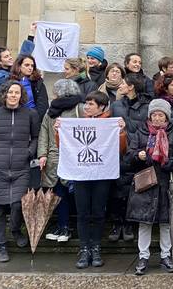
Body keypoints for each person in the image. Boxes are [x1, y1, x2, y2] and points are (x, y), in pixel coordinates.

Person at [0, 80, 40, 263]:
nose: (14, 95)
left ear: (22, 96)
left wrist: (29, 153)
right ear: (4, 94)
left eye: (17, 93)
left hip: (21, 168)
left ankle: (15, 229)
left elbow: (35, 137)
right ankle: (1, 245)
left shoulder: (30, 114)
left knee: (17, 205)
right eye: (11, 92)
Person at [126, 99, 173, 275]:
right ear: (150, 116)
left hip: (167, 183)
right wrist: (138, 156)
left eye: (161, 115)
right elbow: (129, 156)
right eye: (154, 115)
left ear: (166, 116)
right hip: (145, 184)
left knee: (166, 223)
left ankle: (165, 255)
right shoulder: (141, 132)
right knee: (144, 223)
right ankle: (143, 256)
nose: (157, 118)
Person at [69, 91, 126, 269]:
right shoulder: (78, 123)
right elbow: (65, 144)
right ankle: (84, 248)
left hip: (102, 174)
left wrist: (121, 132)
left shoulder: (110, 123)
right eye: (86, 104)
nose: (86, 107)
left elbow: (121, 149)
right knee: (83, 212)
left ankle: (96, 247)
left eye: (91, 104)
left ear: (101, 106)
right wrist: (58, 132)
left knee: (98, 212)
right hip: (81, 174)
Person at [37, 79, 84, 244]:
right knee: (58, 194)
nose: (53, 94)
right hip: (54, 159)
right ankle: (62, 225)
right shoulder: (51, 111)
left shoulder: (80, 109)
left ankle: (69, 227)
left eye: (56, 91)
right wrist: (42, 154)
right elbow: (44, 133)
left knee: (72, 194)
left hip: (74, 158)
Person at [109, 73, 152, 242]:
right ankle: (117, 223)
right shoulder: (117, 105)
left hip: (137, 154)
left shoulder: (146, 107)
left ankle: (128, 224)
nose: (120, 85)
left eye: (123, 83)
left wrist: (126, 124)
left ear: (131, 86)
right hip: (119, 153)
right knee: (117, 191)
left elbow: (145, 128)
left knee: (132, 192)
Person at [9, 54, 49, 122]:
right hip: (13, 119)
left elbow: (43, 106)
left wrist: (35, 121)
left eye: (32, 66)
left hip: (33, 120)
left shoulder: (38, 83)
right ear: (19, 66)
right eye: (27, 65)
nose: (30, 68)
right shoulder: (9, 81)